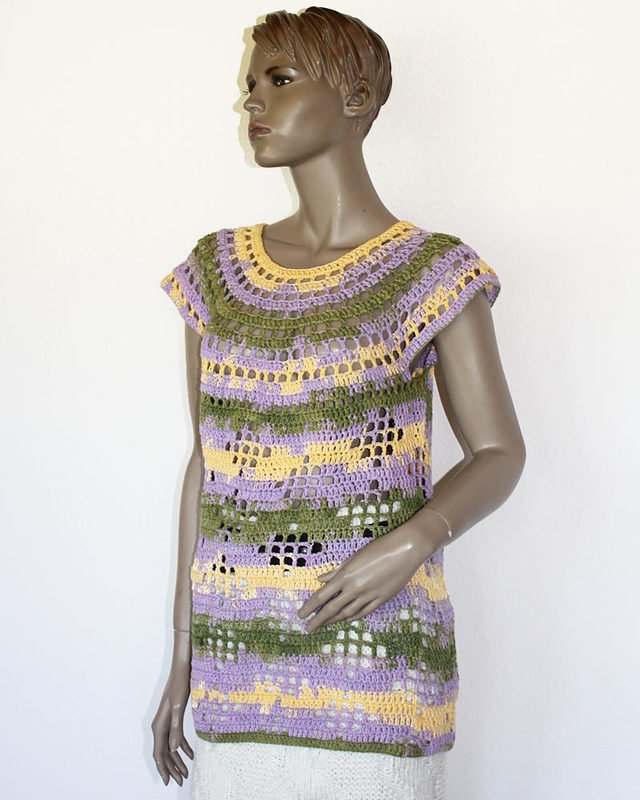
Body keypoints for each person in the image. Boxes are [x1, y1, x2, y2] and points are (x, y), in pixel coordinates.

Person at [152, 7, 526, 799]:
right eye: (250, 83)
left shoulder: (430, 272)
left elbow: (499, 452)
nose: (252, 100)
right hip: (239, 664)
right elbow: (209, 459)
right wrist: (184, 647)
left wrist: (416, 538)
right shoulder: (218, 273)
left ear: (355, 97)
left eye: (279, 79)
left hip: (378, 665)